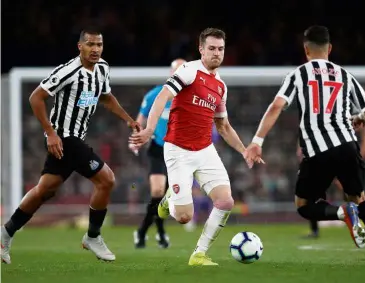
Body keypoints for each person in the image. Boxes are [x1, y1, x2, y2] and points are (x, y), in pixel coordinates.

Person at [244, 25, 365, 261]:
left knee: (304, 205)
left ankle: (341, 213)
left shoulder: (299, 74)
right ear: (330, 48)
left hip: (318, 151)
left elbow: (277, 107)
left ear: (306, 49)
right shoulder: (345, 75)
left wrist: (257, 141)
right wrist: (358, 118)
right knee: (360, 200)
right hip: (347, 146)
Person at [1, 28, 140, 264]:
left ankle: (5, 234)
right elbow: (36, 97)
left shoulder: (103, 69)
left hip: (73, 139)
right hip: (63, 137)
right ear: (80, 47)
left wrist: (128, 119)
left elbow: (106, 97)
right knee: (106, 179)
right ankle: (93, 236)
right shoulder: (69, 71)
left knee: (45, 189)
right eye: (90, 44)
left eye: (99, 45)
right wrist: (50, 133)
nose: (95, 49)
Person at [130, 27, 257, 266]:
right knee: (183, 216)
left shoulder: (220, 86)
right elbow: (163, 97)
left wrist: (244, 150)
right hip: (178, 150)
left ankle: (199, 253)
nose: (216, 53)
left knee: (225, 201)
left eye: (220, 49)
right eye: (211, 48)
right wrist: (148, 129)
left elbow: (224, 126)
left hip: (205, 150)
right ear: (201, 49)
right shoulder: (188, 71)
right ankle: (169, 200)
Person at [131, 58, 186, 249]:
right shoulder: (155, 95)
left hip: (178, 151)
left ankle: (145, 232)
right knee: (157, 191)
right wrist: (136, 139)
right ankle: (157, 234)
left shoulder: (190, 98)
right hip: (157, 148)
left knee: (165, 198)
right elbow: (140, 120)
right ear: (171, 74)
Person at [301, 125, 365, 238]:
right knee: (313, 194)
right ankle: (315, 229)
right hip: (328, 160)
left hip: (343, 161)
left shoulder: (350, 125)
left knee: (353, 195)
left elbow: (364, 149)